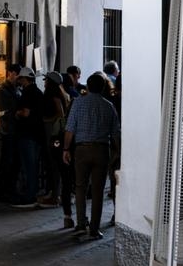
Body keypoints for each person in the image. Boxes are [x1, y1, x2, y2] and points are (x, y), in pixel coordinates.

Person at [62, 73, 120, 240]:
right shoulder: (109, 106)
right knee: (98, 191)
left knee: (80, 187)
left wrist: (66, 149)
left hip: (81, 150)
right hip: (102, 150)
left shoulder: (78, 103)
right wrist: (117, 152)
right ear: (103, 88)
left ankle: (81, 224)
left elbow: (70, 129)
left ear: (87, 86)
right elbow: (115, 133)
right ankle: (94, 229)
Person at [11, 67, 45, 209]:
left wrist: (17, 113)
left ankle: (29, 196)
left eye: (20, 79)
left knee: (28, 167)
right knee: (33, 166)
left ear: (24, 79)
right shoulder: (38, 92)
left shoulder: (27, 93)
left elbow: (25, 113)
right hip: (37, 135)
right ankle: (32, 193)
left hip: (27, 135)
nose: (19, 81)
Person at [40, 71, 71, 211]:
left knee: (54, 163)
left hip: (52, 133)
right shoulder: (60, 93)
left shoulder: (53, 95)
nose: (44, 82)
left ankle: (55, 195)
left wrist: (48, 121)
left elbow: (60, 113)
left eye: (46, 80)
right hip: (53, 132)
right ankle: (54, 193)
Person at [0, 64, 20, 203]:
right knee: (7, 163)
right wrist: (16, 113)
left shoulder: (17, 90)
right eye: (16, 75)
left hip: (16, 132)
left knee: (14, 164)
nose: (18, 78)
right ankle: (4, 193)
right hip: (7, 131)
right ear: (10, 73)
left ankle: (11, 190)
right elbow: (2, 113)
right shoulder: (1, 91)